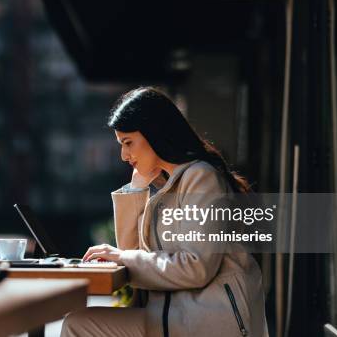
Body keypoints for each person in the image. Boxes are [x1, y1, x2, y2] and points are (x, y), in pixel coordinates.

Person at [61, 87, 269, 337]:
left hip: (210, 321)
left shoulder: (201, 178)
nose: (124, 155)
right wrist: (136, 189)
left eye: (128, 143)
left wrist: (122, 258)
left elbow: (196, 268)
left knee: (79, 325)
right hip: (174, 316)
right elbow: (131, 252)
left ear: (154, 134)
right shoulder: (164, 186)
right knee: (79, 322)